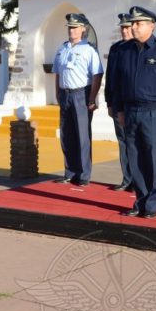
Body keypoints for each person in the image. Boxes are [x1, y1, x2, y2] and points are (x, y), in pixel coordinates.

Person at [110, 6, 156, 218]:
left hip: (155, 112)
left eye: (138, 23)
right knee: (135, 158)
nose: (133, 27)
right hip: (131, 111)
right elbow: (119, 83)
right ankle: (140, 201)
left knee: (153, 159)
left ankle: (152, 204)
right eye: (132, 23)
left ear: (151, 26)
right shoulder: (124, 50)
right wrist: (120, 110)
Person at [52, 13, 103, 186]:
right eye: (69, 27)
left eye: (74, 27)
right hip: (65, 94)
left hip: (81, 94)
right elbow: (58, 73)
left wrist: (92, 97)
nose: (71, 30)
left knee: (82, 136)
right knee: (66, 135)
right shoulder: (62, 48)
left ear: (83, 29)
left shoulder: (89, 49)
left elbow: (97, 74)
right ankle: (70, 171)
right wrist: (57, 93)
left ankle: (83, 174)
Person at [104, 13, 134, 191]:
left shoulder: (139, 48)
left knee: (135, 142)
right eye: (122, 27)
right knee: (123, 141)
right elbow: (111, 77)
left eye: (127, 27)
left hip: (134, 103)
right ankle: (127, 178)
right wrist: (109, 102)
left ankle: (138, 180)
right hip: (118, 103)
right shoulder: (116, 49)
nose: (124, 30)